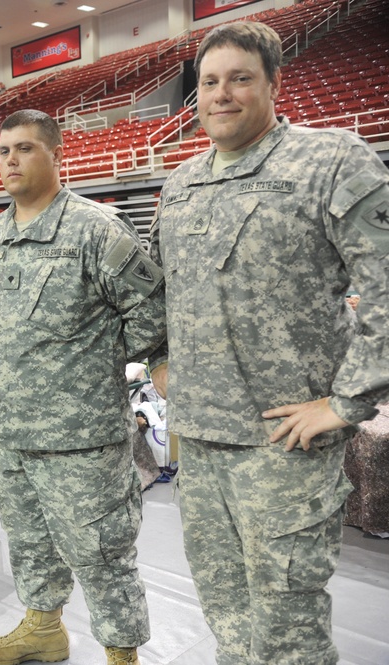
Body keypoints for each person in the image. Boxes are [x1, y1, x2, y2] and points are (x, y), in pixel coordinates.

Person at [147, 21, 389, 665]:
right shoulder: (180, 184)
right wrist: (159, 358)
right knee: (226, 614)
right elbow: (160, 293)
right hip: (199, 445)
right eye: (209, 82)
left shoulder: (330, 160)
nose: (221, 94)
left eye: (239, 79)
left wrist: (345, 402)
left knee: (288, 632)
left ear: (274, 85)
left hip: (283, 447)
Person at [0, 109, 166, 665]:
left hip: (81, 438)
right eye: (4, 150)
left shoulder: (95, 228)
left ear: (57, 154)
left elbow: (151, 316)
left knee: (102, 553)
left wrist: (90, 366)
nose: (11, 159)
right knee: (29, 542)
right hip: (12, 431)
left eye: (25, 148)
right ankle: (42, 626)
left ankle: (121, 654)